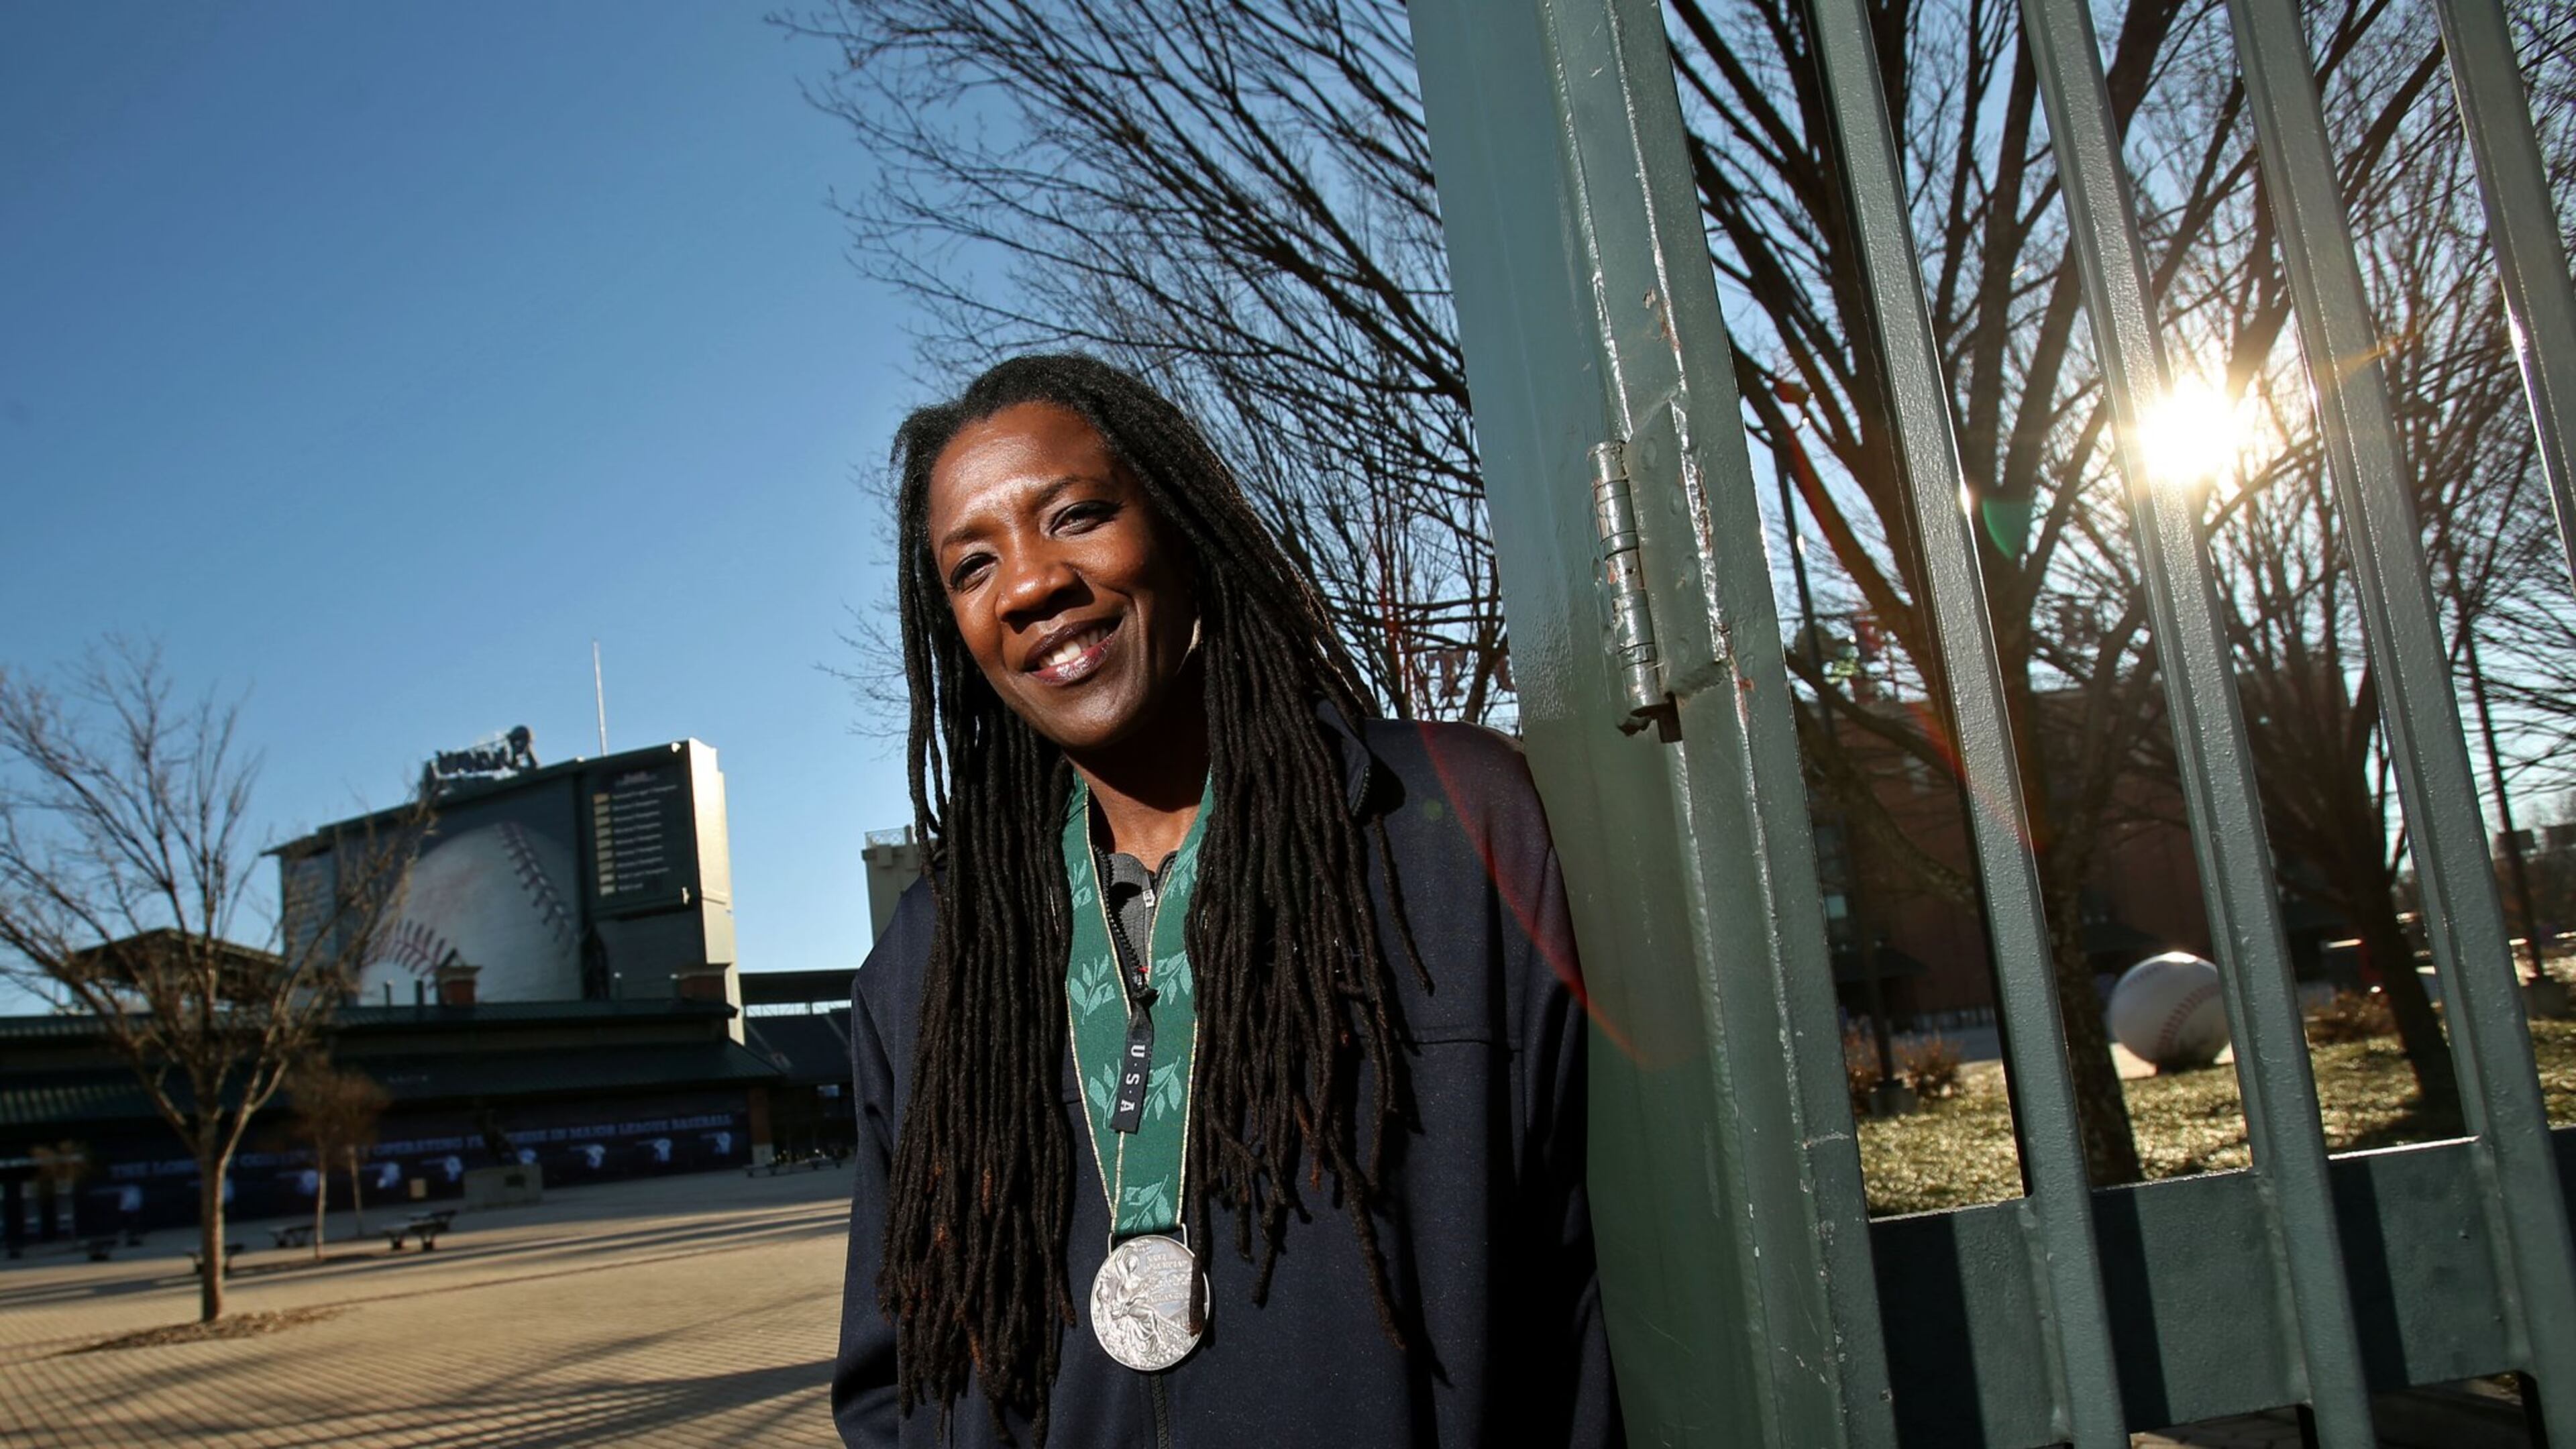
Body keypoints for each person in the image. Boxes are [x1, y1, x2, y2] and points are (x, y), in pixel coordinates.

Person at [835, 354, 1621, 1448]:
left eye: (1077, 515)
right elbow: (899, 1383)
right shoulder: (929, 969)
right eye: (972, 567)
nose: (1028, 585)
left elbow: (1594, 1281)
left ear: (1182, 523)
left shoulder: (1451, 829)